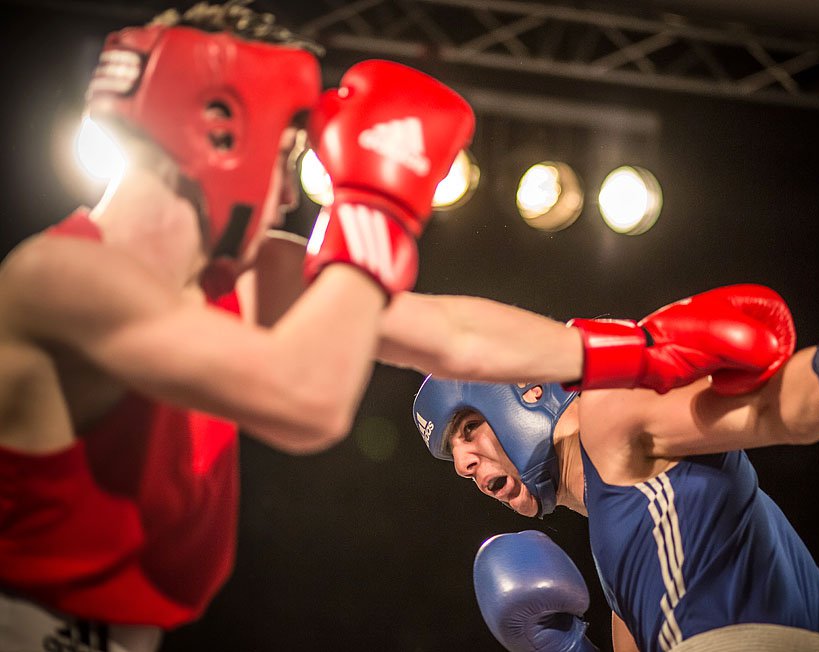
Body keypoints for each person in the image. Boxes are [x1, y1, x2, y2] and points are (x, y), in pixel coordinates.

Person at [0, 1, 474, 649]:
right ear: (219, 135)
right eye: (284, 157)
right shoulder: (64, 277)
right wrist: (374, 210)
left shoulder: (237, 281)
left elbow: (446, 331)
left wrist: (609, 350)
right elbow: (309, 398)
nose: (289, 195)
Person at [409, 232, 819, 652]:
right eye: (452, 454)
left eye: (468, 428)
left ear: (528, 391)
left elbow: (776, 409)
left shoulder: (612, 411)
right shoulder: (620, 552)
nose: (463, 463)